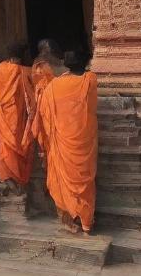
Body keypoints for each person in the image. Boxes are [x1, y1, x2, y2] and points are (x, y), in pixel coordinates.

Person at [39, 49, 98, 235]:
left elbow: (44, 113)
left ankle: (69, 219)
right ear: (85, 63)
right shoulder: (90, 80)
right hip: (84, 141)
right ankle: (87, 223)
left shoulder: (53, 86)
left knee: (62, 180)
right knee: (86, 181)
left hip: (62, 141)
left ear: (66, 64)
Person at [0, 41, 34, 194]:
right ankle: (16, 179)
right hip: (17, 118)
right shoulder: (25, 71)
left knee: (2, 149)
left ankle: (8, 178)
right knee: (17, 147)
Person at [25, 38, 63, 156]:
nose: (49, 50)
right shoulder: (40, 63)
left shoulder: (53, 60)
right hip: (44, 99)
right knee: (46, 127)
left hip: (55, 98)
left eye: (50, 47)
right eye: (47, 48)